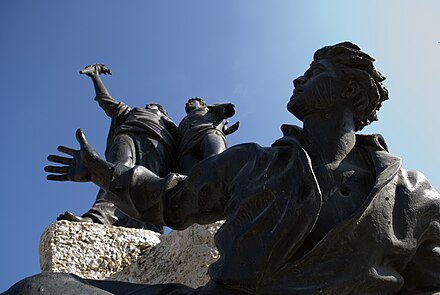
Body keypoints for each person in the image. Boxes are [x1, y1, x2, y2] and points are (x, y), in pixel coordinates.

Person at [6, 42, 440, 294]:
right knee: (38, 290)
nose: (298, 80)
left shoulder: (413, 196)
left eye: (315, 71)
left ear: (349, 88)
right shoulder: (254, 161)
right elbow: (174, 199)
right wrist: (108, 175)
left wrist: (211, 119)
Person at [58, 64, 178, 231]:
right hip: (127, 136)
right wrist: (95, 76)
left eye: (153, 106)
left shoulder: (169, 125)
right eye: (148, 105)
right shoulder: (131, 112)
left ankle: (152, 229)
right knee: (115, 172)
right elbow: (105, 100)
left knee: (151, 186)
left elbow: (186, 143)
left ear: (163, 112)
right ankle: (97, 217)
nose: (149, 105)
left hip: (158, 146)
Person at [178, 97, 239, 174]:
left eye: (192, 101)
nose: (187, 104)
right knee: (190, 174)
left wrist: (226, 109)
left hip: (207, 133)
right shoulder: (183, 122)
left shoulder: (208, 109)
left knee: (214, 161)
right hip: (187, 147)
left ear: (202, 104)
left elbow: (222, 109)